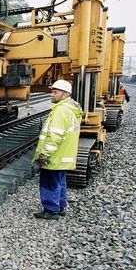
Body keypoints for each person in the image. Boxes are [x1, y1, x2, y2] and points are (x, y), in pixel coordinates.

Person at [32, 79, 83, 220]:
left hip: (55, 156)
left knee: (49, 182)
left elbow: (55, 136)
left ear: (65, 94)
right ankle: (60, 206)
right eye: (52, 92)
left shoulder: (61, 111)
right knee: (60, 181)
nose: (52, 95)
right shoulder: (70, 109)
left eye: (55, 92)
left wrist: (43, 155)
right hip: (63, 155)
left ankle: (51, 210)